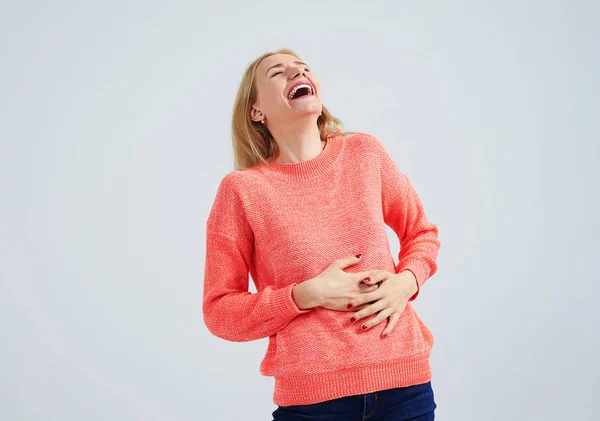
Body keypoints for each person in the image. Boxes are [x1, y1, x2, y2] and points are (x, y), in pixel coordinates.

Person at [202, 48, 442, 421]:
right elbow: (219, 311)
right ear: (256, 111)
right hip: (313, 405)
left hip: (404, 388)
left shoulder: (365, 153)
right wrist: (302, 295)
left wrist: (406, 282)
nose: (297, 73)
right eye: (278, 72)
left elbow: (421, 232)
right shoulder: (242, 191)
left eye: (303, 68)